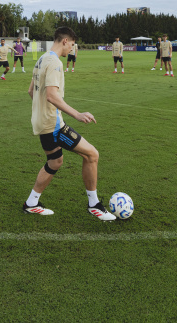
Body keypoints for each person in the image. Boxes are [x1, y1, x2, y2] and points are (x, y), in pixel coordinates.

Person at [22, 26, 115, 221]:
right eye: (71, 45)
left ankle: (31, 203)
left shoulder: (41, 59)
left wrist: (41, 111)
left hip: (40, 122)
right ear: (65, 41)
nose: (71, 49)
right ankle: (94, 205)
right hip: (53, 125)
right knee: (92, 155)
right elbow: (52, 96)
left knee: (55, 161)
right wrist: (77, 114)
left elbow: (31, 91)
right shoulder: (55, 63)